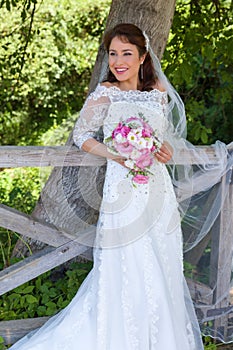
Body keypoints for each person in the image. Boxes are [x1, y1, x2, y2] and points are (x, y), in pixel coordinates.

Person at [9, 23, 232, 350]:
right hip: (121, 189)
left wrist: (165, 151)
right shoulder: (105, 93)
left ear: (143, 57)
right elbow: (83, 136)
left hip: (156, 191)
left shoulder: (157, 92)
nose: (118, 60)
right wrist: (115, 155)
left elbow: (163, 141)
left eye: (126, 53)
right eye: (113, 54)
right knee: (126, 261)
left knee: (160, 260)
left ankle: (160, 338)